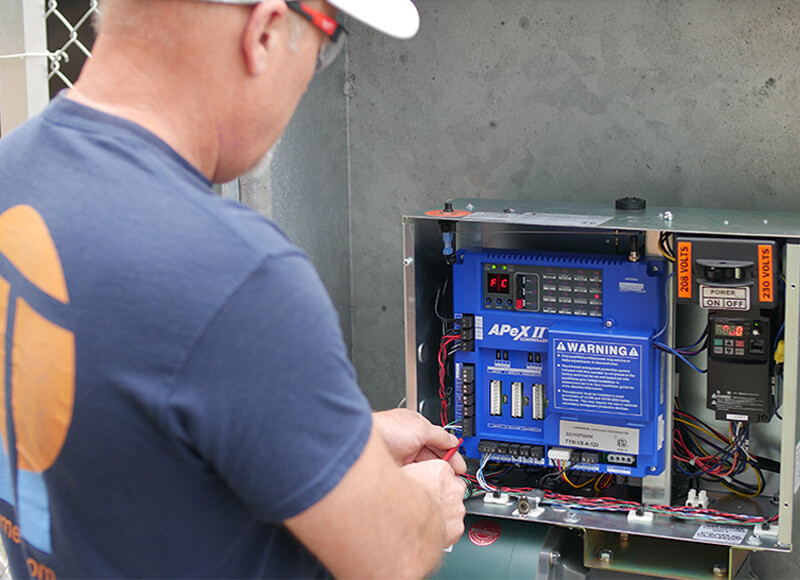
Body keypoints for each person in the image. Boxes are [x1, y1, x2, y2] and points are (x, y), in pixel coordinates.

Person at [0, 0, 467, 577]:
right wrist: (425, 503)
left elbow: (128, 426)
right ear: (266, 31)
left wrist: (345, 438)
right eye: (327, 44)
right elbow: (390, 554)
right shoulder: (237, 271)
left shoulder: (12, 173)